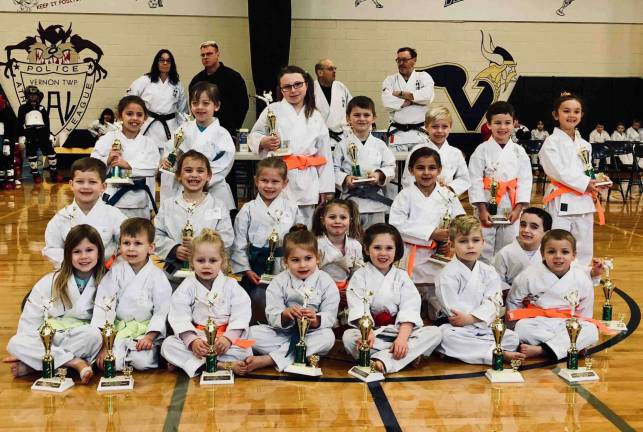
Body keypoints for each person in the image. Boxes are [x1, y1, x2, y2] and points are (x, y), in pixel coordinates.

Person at [4, 225, 106, 384]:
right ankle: (74, 363)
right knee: (15, 343)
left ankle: (36, 365)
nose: (84, 256)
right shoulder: (50, 281)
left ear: (99, 252)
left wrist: (30, 354)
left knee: (94, 335)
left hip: (81, 337)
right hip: (52, 337)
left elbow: (107, 322)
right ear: (67, 255)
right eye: (77, 251)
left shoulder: (107, 281)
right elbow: (30, 319)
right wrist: (23, 348)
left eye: (89, 250)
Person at [343, 223, 442, 374]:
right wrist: (367, 332)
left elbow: (410, 308)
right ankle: (406, 356)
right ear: (366, 249)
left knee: (435, 332)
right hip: (373, 334)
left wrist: (402, 339)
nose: (383, 253)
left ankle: (383, 359)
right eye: (377, 248)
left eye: (389, 248)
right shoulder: (359, 276)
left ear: (396, 250)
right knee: (349, 337)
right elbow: (358, 307)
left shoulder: (402, 276)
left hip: (399, 332)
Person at [244, 225, 340, 373]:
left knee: (328, 337)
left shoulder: (326, 281)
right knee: (252, 333)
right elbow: (271, 314)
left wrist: (316, 319)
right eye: (295, 260)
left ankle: (270, 359)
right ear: (285, 262)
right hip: (283, 334)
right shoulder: (278, 281)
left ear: (318, 258)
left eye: (308, 258)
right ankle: (301, 354)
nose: (302, 265)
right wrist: (285, 315)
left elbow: (331, 315)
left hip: (312, 334)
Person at [248, 65, 334, 226]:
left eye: (298, 85)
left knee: (304, 227)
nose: (293, 90)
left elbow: (324, 154)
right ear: (281, 90)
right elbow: (253, 136)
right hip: (277, 176)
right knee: (276, 224)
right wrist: (263, 141)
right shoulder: (272, 110)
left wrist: (326, 188)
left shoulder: (315, 115)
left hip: (306, 178)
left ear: (306, 85)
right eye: (287, 87)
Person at [161, 229, 253, 377]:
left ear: (222, 261)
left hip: (225, 341)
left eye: (213, 260)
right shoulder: (187, 286)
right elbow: (179, 317)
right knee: (168, 345)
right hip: (200, 339)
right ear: (191, 262)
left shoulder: (231, 285)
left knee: (246, 351)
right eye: (200, 260)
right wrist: (193, 341)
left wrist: (228, 338)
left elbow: (241, 315)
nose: (206, 266)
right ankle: (221, 365)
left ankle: (190, 363)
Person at [435, 216, 525, 365]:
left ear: (483, 242)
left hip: (482, 325)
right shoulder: (446, 275)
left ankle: (484, 350)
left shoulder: (488, 271)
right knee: (446, 338)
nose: (470, 246)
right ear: (451, 245)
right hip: (457, 329)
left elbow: (494, 302)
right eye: (463, 241)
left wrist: (472, 319)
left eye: (475, 240)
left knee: (512, 337)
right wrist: (469, 320)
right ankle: (497, 352)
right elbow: (454, 312)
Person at [390, 147, 465, 319]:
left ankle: (438, 317)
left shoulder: (447, 194)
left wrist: (450, 236)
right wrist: (431, 233)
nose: (426, 173)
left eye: (431, 168)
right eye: (420, 168)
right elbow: (396, 225)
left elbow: (461, 220)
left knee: (439, 296)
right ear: (411, 170)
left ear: (439, 170)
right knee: (410, 299)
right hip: (412, 256)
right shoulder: (405, 195)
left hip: (440, 254)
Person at [538, 93, 610, 266]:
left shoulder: (585, 144)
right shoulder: (551, 142)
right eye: (566, 111)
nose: (572, 115)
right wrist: (586, 183)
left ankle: (581, 286)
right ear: (556, 115)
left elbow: (586, 170)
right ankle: (556, 284)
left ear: (581, 115)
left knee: (584, 249)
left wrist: (598, 179)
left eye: (576, 111)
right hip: (562, 201)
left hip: (584, 201)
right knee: (558, 247)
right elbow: (559, 172)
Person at [507, 229, 599, 360]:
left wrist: (579, 323)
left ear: (574, 255)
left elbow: (586, 307)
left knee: (591, 330)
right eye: (551, 252)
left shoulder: (581, 277)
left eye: (565, 252)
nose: (558, 256)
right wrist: (513, 327)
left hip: (568, 321)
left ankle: (543, 350)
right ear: (542, 254)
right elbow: (513, 301)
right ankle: (571, 347)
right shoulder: (528, 275)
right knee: (522, 328)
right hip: (537, 321)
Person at [92, 218, 171, 372]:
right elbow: (104, 306)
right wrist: (104, 343)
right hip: (117, 331)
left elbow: (162, 311)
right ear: (120, 246)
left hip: (145, 332)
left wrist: (150, 336)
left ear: (151, 247)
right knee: (108, 360)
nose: (131, 249)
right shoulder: (114, 273)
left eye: (138, 243)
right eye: (126, 243)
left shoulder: (158, 276)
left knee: (142, 361)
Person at [231, 157, 303, 324]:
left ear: (285, 183)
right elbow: (239, 244)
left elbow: (300, 241)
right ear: (256, 181)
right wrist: (246, 270)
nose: (269, 186)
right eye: (264, 180)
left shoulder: (292, 209)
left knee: (283, 301)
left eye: (275, 181)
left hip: (285, 266)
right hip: (256, 267)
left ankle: (284, 327)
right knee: (255, 302)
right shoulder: (247, 209)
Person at [155, 150, 234, 289]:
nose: (194, 175)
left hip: (209, 275)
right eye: (188, 170)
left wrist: (200, 247)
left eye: (200, 171)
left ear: (209, 176)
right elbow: (156, 234)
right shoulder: (168, 205)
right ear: (179, 175)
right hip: (174, 275)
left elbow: (226, 238)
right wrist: (174, 249)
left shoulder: (218, 206)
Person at [468, 101, 532, 263]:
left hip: (510, 206)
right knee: (483, 245)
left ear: (514, 124)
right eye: (497, 123)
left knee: (509, 247)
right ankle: (483, 282)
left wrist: (518, 209)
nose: (502, 127)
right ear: (489, 125)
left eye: (507, 123)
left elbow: (525, 181)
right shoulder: (481, 150)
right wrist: (481, 209)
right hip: (486, 206)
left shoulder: (519, 152)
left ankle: (503, 284)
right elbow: (474, 180)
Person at [160, 82, 235, 208]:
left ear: (216, 106)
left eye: (206, 103)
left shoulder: (222, 135)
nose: (200, 107)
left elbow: (222, 166)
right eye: (195, 103)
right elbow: (171, 150)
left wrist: (198, 180)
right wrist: (167, 160)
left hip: (212, 191)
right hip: (183, 188)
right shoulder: (183, 129)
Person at [43, 158, 126, 269]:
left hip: (107, 274)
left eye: (92, 182)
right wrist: (74, 263)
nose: (86, 186)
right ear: (71, 185)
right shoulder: (61, 217)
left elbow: (128, 243)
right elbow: (52, 249)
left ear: (103, 186)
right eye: (80, 181)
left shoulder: (114, 215)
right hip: (71, 273)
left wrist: (115, 266)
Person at [91, 95, 160, 218]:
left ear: (145, 118)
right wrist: (106, 160)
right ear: (119, 116)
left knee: (138, 235)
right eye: (129, 114)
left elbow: (154, 168)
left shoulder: (149, 143)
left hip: (139, 201)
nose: (134, 118)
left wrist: (128, 166)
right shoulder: (108, 138)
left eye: (139, 115)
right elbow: (92, 164)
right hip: (112, 198)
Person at [333, 96, 395, 228]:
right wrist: (346, 179)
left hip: (375, 203)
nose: (362, 118)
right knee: (352, 241)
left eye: (366, 115)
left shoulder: (380, 145)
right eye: (357, 115)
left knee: (376, 239)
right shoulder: (341, 145)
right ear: (348, 118)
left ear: (373, 118)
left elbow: (390, 166)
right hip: (350, 202)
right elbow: (334, 169)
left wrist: (379, 175)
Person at [312, 199, 364, 325]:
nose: (337, 221)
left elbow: (357, 273)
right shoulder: (317, 244)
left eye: (343, 217)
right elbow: (311, 273)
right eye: (332, 217)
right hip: (321, 291)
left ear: (350, 221)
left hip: (346, 291)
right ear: (323, 220)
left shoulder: (355, 245)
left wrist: (350, 290)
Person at [127, 49, 188, 154]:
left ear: (172, 64)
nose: (165, 63)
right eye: (161, 60)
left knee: (168, 160)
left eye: (168, 61)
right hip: (149, 126)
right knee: (147, 156)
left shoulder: (177, 84)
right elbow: (129, 99)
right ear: (156, 62)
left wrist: (184, 130)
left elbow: (183, 111)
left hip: (170, 127)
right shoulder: (145, 80)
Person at [401, 106, 470, 196]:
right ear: (426, 127)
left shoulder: (456, 153)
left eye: (444, 126)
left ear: (450, 127)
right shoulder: (417, 150)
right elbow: (407, 179)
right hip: (419, 199)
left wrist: (448, 188)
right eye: (435, 126)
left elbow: (464, 179)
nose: (439, 131)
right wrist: (424, 190)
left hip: (446, 197)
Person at [188, 41, 249, 137]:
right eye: (202, 55)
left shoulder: (233, 77)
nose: (205, 57)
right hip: (202, 130)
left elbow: (243, 105)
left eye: (209, 54)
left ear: (218, 54)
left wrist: (234, 127)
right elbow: (193, 105)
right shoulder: (196, 80)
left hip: (227, 129)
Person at [382, 47, 435, 151]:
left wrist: (400, 94)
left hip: (419, 134)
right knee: (397, 167)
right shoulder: (390, 80)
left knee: (420, 165)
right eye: (398, 60)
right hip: (397, 134)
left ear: (414, 60)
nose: (401, 63)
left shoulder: (423, 77)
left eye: (404, 60)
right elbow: (387, 102)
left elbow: (427, 97)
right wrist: (415, 100)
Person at [493, 207, 552, 293]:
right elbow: (495, 280)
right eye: (523, 225)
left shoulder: (551, 254)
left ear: (546, 233)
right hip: (511, 299)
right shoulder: (505, 253)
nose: (526, 230)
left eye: (534, 227)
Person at [17, 85, 62, 183]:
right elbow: (20, 122)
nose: (33, 97)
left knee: (51, 152)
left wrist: (50, 133)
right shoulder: (23, 108)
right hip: (30, 132)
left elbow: (47, 122)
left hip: (42, 132)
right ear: (27, 96)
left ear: (38, 96)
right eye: (31, 95)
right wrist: (21, 135)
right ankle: (35, 174)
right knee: (31, 153)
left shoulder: (42, 108)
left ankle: (54, 172)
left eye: (35, 95)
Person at [313, 58, 352, 143]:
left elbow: (352, 107)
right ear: (320, 72)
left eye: (335, 68)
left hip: (342, 137)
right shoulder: (311, 90)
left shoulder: (341, 87)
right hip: (319, 137)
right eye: (330, 69)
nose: (334, 71)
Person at [0, 92, 18, 189]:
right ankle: (2, 180)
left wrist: (8, 141)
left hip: (6, 139)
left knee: (8, 158)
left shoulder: (8, 113)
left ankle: (11, 180)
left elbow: (12, 128)